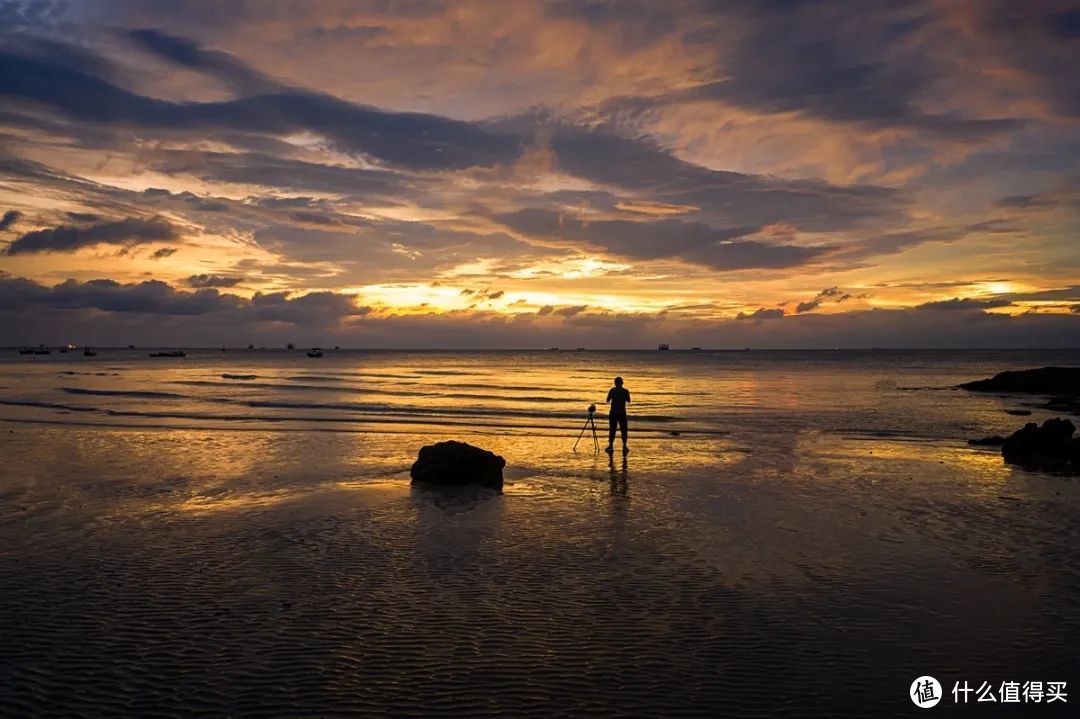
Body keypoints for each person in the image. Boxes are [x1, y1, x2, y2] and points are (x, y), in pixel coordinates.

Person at [605, 376, 631, 454]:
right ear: (622, 383)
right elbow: (629, 400)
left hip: (613, 413)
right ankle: (624, 446)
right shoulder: (625, 391)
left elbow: (607, 400)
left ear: (615, 383)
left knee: (612, 429)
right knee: (624, 430)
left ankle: (610, 445)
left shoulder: (612, 390)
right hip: (622, 413)